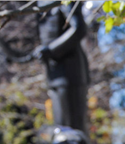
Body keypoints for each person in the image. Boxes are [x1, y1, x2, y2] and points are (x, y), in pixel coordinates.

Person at [34, 1, 89, 134]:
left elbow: (79, 29)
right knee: (61, 130)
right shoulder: (39, 3)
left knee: (73, 132)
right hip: (53, 74)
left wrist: (51, 50)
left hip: (70, 73)